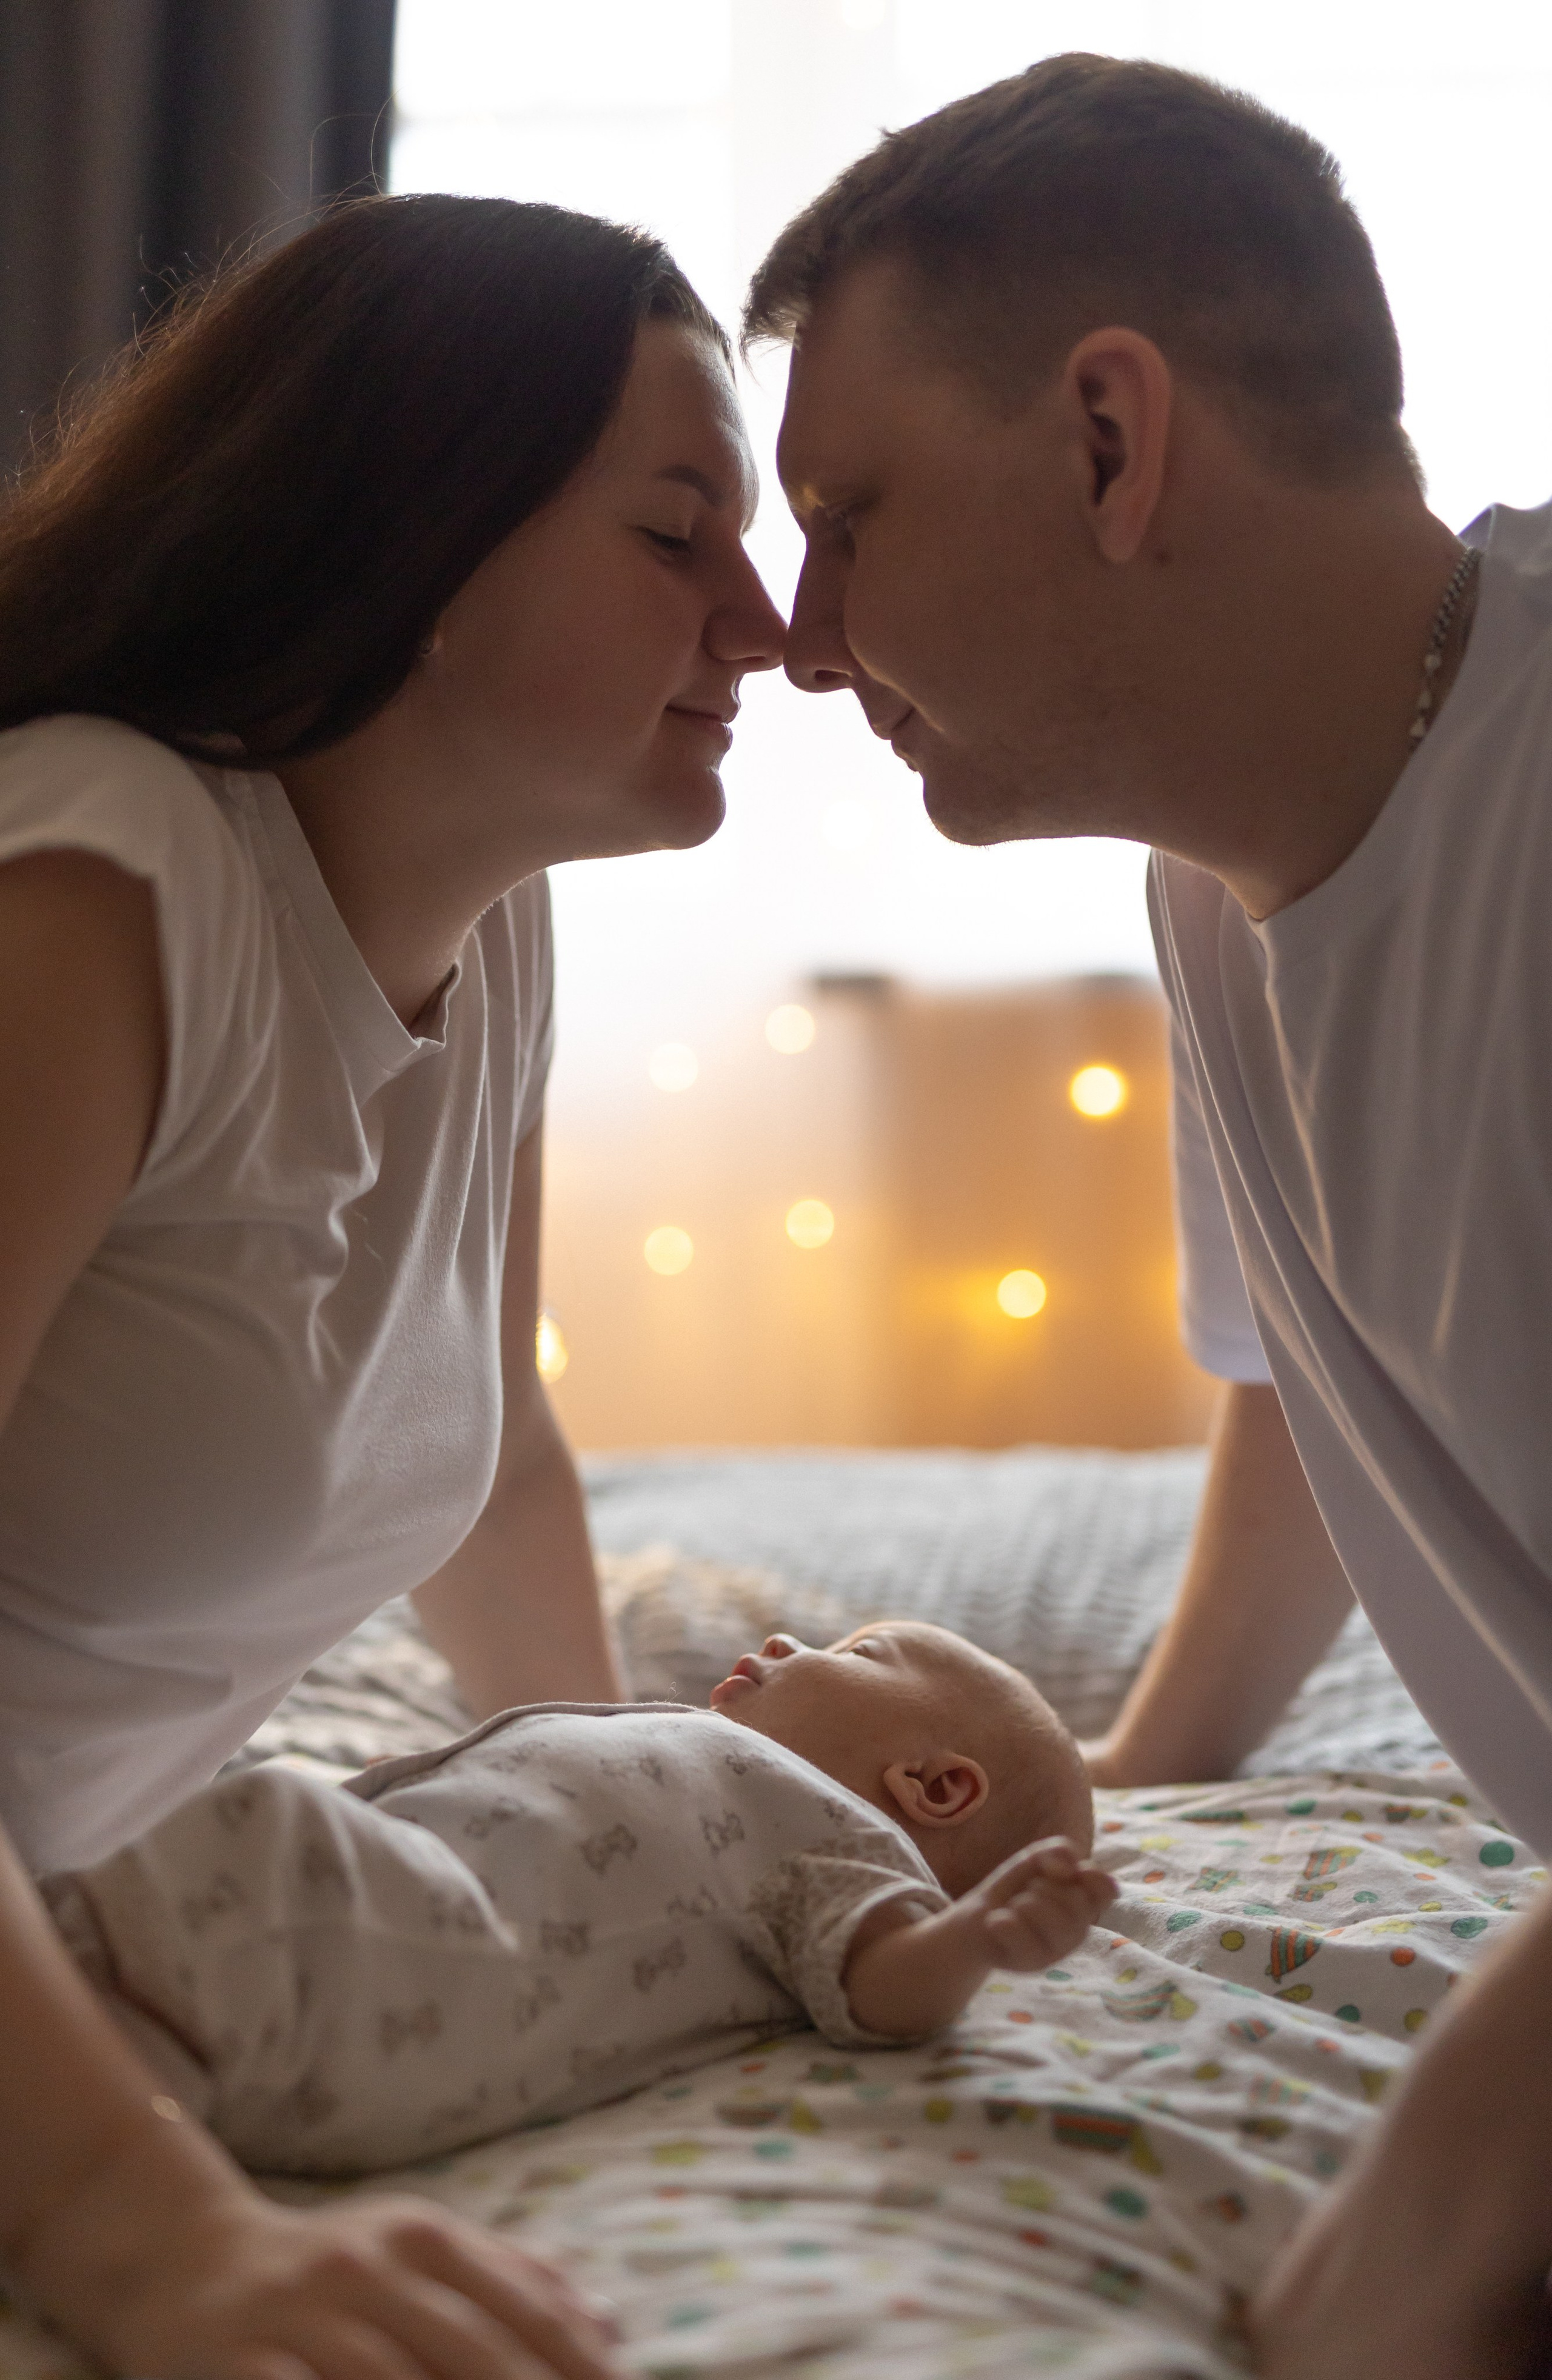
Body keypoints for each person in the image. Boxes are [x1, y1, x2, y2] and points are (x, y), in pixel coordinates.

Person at [746, 52, 1552, 2380]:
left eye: (850, 510)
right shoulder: (1215, 876)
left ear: (1112, 439)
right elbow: (1324, 1379)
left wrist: (1427, 2206)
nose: (800, 633)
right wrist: (1143, 1780)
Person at [0, 194, 785, 2380]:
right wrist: (126, 2226)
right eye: (678, 533)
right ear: (419, 535)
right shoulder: (93, 883)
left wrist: (680, 1832)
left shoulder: (491, 921)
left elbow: (506, 1447)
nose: (775, 621)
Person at [44, 1620, 1112, 2173]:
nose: (791, 1641)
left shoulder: (845, 1841)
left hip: (401, 1943)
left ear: (932, 1785)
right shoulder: (755, 1788)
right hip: (369, 1931)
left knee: (250, 1843)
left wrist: (976, 1934)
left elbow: (886, 1986)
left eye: (855, 1651)